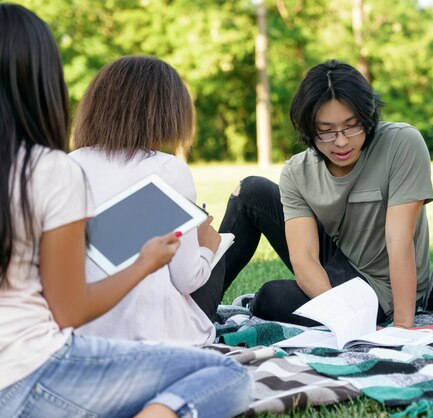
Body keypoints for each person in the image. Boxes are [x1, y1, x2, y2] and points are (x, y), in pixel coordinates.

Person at [0, 4, 251, 418]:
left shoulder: (72, 162)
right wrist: (152, 260)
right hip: (32, 371)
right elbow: (70, 310)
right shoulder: (51, 170)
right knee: (227, 376)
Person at [213, 59, 433, 329]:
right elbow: (304, 258)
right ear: (309, 130)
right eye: (326, 132)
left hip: (381, 288)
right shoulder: (297, 171)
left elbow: (399, 240)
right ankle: (197, 310)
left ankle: (264, 304)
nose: (341, 141)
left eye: (352, 126)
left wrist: (402, 328)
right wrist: (341, 312)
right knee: (251, 190)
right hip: (336, 265)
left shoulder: (402, 143)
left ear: (367, 117)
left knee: (271, 298)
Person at [70, 55, 224, 346]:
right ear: (168, 111)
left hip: (77, 329)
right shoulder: (168, 170)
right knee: (213, 253)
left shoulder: (68, 164)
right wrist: (207, 247)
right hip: (146, 335)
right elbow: (187, 278)